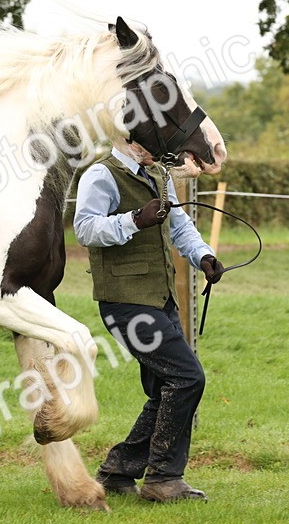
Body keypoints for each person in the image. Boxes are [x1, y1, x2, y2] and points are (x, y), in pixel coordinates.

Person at [73, 145, 224, 502]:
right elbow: (85, 229)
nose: (157, 147)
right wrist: (135, 219)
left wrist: (203, 256)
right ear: (129, 139)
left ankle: (119, 470)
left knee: (165, 389)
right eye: (149, 139)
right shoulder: (101, 174)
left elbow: (180, 225)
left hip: (160, 298)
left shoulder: (158, 174)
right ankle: (163, 479)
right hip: (125, 303)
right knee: (187, 377)